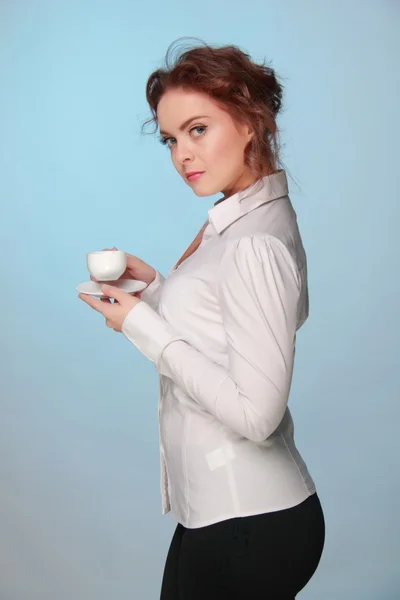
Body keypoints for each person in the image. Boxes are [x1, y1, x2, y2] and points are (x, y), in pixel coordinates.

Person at [79, 42, 325, 599]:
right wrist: (159, 292)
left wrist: (143, 325)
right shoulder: (247, 213)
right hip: (223, 514)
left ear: (248, 121)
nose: (181, 155)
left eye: (197, 129)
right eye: (170, 139)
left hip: (249, 523)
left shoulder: (252, 241)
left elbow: (256, 415)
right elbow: (230, 324)